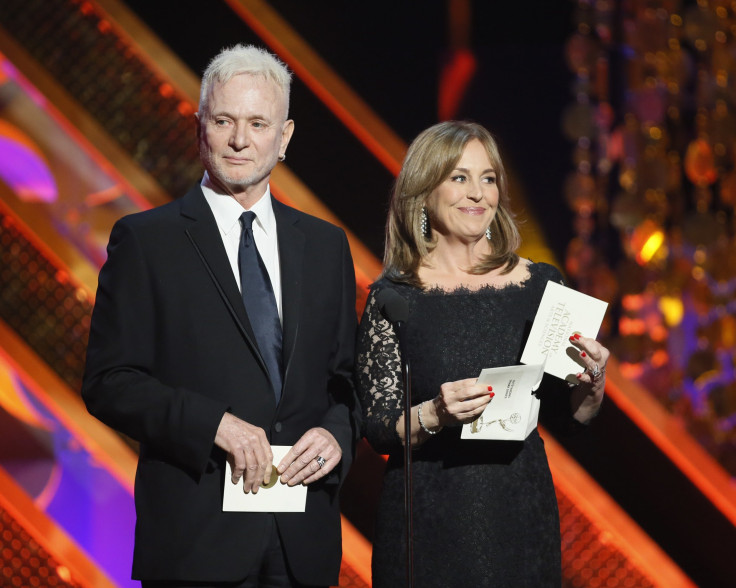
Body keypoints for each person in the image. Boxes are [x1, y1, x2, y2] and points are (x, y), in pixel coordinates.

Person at [82, 44, 360, 588]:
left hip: (301, 544)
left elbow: (345, 382)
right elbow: (109, 383)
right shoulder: (146, 240)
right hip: (196, 539)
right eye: (225, 120)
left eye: (259, 123)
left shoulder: (325, 246)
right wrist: (213, 424)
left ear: (284, 138)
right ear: (199, 127)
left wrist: (336, 436)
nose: (240, 140)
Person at [355, 120, 609, 587]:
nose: (478, 193)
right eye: (459, 177)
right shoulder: (394, 296)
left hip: (518, 516)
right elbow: (377, 427)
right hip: (427, 523)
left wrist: (591, 385)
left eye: (488, 178)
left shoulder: (541, 284)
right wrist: (434, 412)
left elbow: (569, 417)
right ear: (424, 192)